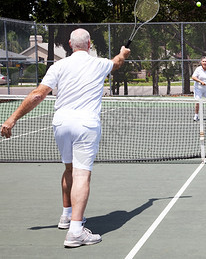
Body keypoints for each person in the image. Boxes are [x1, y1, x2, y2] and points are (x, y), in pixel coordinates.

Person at [0, 28, 131, 248]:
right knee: (82, 174)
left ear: (70, 45)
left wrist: (12, 118)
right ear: (89, 44)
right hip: (85, 125)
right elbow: (117, 63)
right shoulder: (99, 64)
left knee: (69, 169)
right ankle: (76, 231)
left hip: (61, 124)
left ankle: (66, 216)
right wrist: (123, 54)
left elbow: (38, 94)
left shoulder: (58, 65)